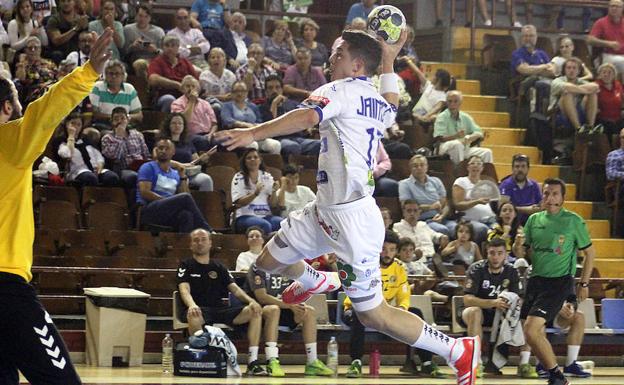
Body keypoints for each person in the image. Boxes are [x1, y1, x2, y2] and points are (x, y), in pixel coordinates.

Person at [215, 29, 480, 385]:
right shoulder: (373, 97)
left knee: (374, 316)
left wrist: (252, 134)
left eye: (338, 53)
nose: (330, 57)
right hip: (324, 210)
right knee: (263, 264)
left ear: (356, 64)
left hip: (353, 220)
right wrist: (389, 57)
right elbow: (392, 100)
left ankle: (457, 351)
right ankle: (317, 279)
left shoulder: (336, 90)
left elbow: (308, 118)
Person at [0, 28, 112, 385]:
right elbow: (45, 111)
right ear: (6, 106)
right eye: (14, 99)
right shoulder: (9, 141)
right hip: (6, 290)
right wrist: (89, 71)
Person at [520, 178, 596, 385]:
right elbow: (525, 252)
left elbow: (590, 253)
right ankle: (551, 371)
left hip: (559, 282)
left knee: (531, 328)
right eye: (546, 193)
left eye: (554, 194)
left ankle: (557, 375)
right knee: (530, 333)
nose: (550, 197)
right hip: (536, 281)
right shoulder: (534, 220)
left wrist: (584, 284)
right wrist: (518, 247)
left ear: (563, 198)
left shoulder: (573, 221)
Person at [342, 231, 444, 378]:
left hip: (384, 311)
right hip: (357, 307)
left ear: (396, 251)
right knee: (358, 318)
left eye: (391, 250)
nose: (387, 253)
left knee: (416, 314)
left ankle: (427, 362)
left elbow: (404, 295)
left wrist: (402, 309)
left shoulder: (399, 268)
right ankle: (356, 362)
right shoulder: (366, 265)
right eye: (383, 249)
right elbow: (355, 292)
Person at [177, 228, 269, 375]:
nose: (200, 243)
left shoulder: (219, 267)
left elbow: (236, 290)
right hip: (199, 309)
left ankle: (253, 361)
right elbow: (184, 290)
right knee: (193, 314)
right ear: (191, 245)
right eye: (196, 240)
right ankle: (202, 359)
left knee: (254, 311)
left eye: (203, 239)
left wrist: (252, 301)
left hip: (220, 310)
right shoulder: (186, 265)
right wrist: (192, 305)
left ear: (210, 243)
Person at [246, 261, 335, 376]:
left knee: (308, 311)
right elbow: (262, 297)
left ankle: (312, 362)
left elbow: (296, 291)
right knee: (274, 310)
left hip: (285, 307)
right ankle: (272, 360)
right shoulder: (258, 266)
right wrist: (289, 305)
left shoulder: (290, 264)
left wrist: (308, 277)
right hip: (260, 310)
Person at [461, 238, 521, 377]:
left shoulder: (512, 271)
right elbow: (467, 300)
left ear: (506, 254)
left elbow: (518, 299)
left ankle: (523, 363)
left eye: (500, 253)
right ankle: (476, 363)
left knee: (527, 317)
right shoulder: (477, 269)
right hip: (476, 312)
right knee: (475, 312)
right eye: (492, 253)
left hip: (500, 314)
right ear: (486, 253)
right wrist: (493, 303)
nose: (495, 257)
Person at [137, 138, 212, 232]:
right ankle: (207, 230)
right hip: (150, 210)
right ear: (156, 150)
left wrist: (182, 176)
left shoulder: (175, 174)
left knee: (186, 215)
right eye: (160, 148)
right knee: (184, 198)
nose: (163, 151)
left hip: (168, 212)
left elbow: (185, 194)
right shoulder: (148, 167)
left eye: (167, 148)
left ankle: (183, 245)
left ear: (173, 152)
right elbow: (145, 192)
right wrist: (168, 201)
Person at [260, 74, 320, 158]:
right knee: (293, 147)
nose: (274, 90)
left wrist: (308, 128)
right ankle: (293, 170)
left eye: (277, 87)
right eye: (270, 88)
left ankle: (311, 170)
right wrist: (274, 104)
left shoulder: (292, 104)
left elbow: (303, 120)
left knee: (320, 145)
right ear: (266, 92)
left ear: (282, 90)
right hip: (280, 139)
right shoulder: (263, 108)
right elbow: (270, 127)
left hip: (298, 137)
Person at [54, 111, 120, 186]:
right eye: (73, 123)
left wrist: (100, 166)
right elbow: (67, 155)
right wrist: (71, 136)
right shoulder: (61, 141)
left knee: (112, 177)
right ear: (66, 124)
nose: (76, 127)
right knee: (90, 178)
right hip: (77, 171)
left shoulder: (86, 140)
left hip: (96, 170)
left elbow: (99, 157)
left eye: (79, 124)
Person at [398, 154, 453, 236]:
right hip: (422, 221)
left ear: (427, 167)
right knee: (442, 230)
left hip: (442, 218)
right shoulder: (404, 184)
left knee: (456, 228)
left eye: (422, 165)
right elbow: (406, 207)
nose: (419, 168)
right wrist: (431, 207)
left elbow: (445, 204)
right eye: (415, 166)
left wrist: (442, 216)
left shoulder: (436, 181)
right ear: (410, 169)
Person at [157, 112, 214, 192]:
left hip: (189, 173)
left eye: (180, 123)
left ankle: (204, 203)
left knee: (206, 179)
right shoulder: (164, 142)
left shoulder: (187, 142)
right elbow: (159, 160)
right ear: (168, 125)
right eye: (174, 123)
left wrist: (202, 159)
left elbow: (195, 160)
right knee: (183, 182)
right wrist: (181, 165)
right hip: (170, 172)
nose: (177, 126)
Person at [231, 148, 283, 234]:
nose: (252, 159)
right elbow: (239, 203)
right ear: (245, 162)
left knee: (282, 223)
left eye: (255, 157)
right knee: (265, 225)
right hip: (243, 217)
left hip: (265, 215)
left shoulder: (267, 176)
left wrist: (274, 191)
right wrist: (255, 193)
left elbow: (273, 204)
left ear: (260, 160)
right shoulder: (239, 177)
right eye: (249, 158)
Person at [433, 90, 493, 165]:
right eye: (450, 101)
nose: (452, 104)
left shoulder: (465, 117)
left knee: (487, 152)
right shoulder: (441, 117)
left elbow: (479, 132)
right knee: (457, 144)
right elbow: (439, 138)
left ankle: (484, 175)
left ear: (460, 103)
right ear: (446, 102)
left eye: (455, 101)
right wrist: (456, 136)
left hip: (463, 147)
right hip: (443, 147)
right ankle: (459, 173)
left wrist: (471, 137)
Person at [221, 81, 281, 154]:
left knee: (275, 145)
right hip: (237, 137)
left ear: (246, 93)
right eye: (236, 91)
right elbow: (227, 120)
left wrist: (257, 127)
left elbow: (259, 121)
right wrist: (245, 125)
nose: (239, 94)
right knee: (253, 145)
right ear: (232, 93)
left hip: (254, 135)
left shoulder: (253, 106)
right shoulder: (227, 106)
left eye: (242, 91)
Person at [549, 57, 601, 135]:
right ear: (564, 70)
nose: (571, 70)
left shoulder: (580, 81)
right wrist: (585, 91)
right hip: (559, 113)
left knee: (592, 94)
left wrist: (579, 90)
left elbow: (595, 87)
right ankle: (578, 129)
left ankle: (590, 127)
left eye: (574, 68)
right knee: (567, 93)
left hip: (578, 111)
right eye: (569, 68)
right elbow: (567, 87)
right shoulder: (557, 81)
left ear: (578, 71)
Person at [451, 155, 496, 243]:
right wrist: (476, 201)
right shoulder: (461, 181)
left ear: (482, 168)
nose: (475, 165)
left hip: (490, 219)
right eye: (473, 163)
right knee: (483, 229)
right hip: (469, 220)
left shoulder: (485, 184)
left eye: (479, 164)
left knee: (500, 230)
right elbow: (458, 205)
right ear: (468, 167)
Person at [147, 35, 199, 112]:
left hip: (186, 95)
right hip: (164, 96)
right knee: (169, 99)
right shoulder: (157, 62)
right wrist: (177, 85)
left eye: (173, 46)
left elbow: (196, 82)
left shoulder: (185, 62)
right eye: (167, 45)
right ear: (163, 47)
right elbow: (153, 79)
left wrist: (191, 92)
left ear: (178, 47)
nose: (170, 48)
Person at [101, 107, 150, 188]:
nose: (120, 121)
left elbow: (146, 155)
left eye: (123, 118)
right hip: (123, 169)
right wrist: (118, 137)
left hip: (141, 166)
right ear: (112, 122)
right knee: (133, 177)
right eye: (116, 119)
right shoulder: (107, 138)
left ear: (128, 120)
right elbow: (112, 157)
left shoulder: (137, 135)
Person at [89, 59, 143, 130]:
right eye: (111, 73)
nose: (114, 76)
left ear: (123, 75)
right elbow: (94, 113)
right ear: (105, 75)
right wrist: (115, 118)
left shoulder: (129, 89)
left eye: (117, 73)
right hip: (103, 125)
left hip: (125, 126)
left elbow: (139, 115)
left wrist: (124, 117)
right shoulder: (98, 87)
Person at [171, 75, 218, 151]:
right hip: (189, 135)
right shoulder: (177, 104)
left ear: (198, 89)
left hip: (208, 134)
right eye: (187, 86)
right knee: (202, 141)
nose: (190, 89)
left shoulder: (205, 103)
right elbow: (183, 121)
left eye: (193, 86)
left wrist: (210, 134)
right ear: (182, 89)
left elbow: (214, 124)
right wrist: (191, 102)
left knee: (225, 141)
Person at [499, 154, 542, 225]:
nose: (520, 169)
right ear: (512, 169)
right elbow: (504, 209)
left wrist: (515, 208)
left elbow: (541, 207)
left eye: (523, 166)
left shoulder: (534, 185)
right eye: (517, 166)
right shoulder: (505, 185)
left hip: (532, 223)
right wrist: (528, 209)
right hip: (512, 223)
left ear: (528, 168)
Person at [122, 4, 165, 75]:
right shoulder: (128, 29)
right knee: (140, 64)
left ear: (150, 18)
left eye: (146, 17)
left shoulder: (158, 32)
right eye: (140, 16)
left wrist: (156, 50)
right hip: (135, 60)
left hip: (153, 60)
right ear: (136, 16)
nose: (142, 19)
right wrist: (132, 47)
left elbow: (164, 53)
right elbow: (123, 53)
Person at [587, 0, 624, 79]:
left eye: (617, 6)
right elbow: (590, 40)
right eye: (612, 6)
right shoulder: (601, 22)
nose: (614, 8)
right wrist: (608, 43)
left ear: (622, 9)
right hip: (606, 54)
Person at [595, 63, 624, 144]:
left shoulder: (617, 85)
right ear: (600, 74)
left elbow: (622, 100)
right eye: (604, 72)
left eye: (609, 72)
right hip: (603, 120)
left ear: (614, 75)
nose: (606, 74)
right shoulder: (596, 86)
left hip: (619, 119)